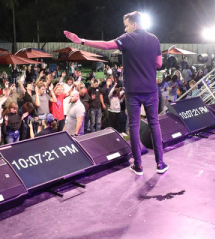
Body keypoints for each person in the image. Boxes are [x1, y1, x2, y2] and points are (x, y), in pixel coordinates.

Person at [64, 10, 167, 175]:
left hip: (133, 91)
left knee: (134, 126)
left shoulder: (127, 38)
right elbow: (159, 64)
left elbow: (106, 45)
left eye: (126, 26)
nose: (125, 29)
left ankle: (138, 166)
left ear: (134, 24)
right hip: (150, 90)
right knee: (154, 124)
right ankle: (160, 164)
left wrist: (81, 41)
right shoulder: (154, 39)